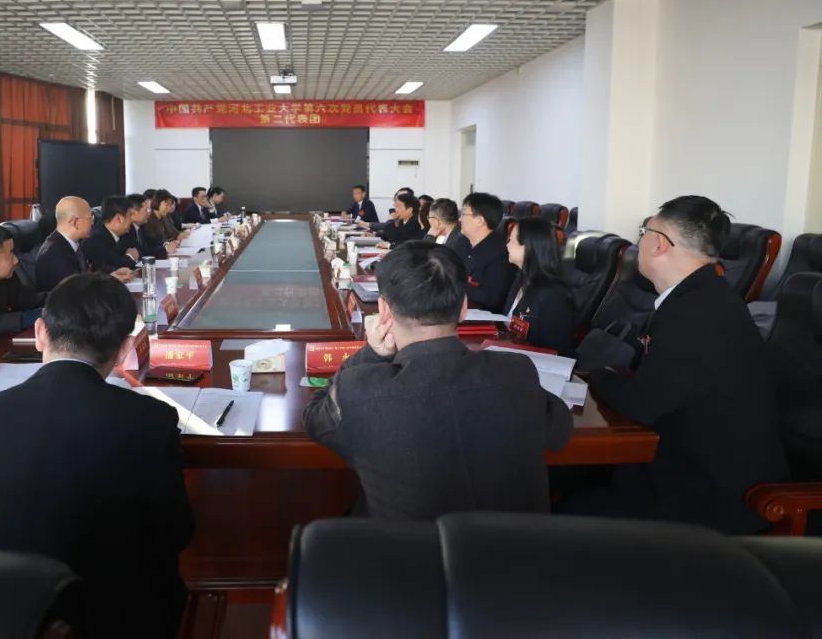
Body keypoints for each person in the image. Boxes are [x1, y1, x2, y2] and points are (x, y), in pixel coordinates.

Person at [0, 273, 193, 638]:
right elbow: (176, 531)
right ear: (124, 349)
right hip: (109, 621)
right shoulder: (150, 420)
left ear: (40, 333)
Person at [303, 241, 571, 520]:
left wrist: (371, 353)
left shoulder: (359, 389)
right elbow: (559, 432)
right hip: (519, 547)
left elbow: (315, 418)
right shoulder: (516, 372)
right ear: (463, 307)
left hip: (407, 548)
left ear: (384, 311)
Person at [571, 195, 787, 533]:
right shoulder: (701, 296)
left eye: (643, 232)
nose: (639, 242)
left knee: (569, 509)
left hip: (710, 496)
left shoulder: (696, 314)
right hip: (684, 462)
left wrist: (599, 375)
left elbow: (642, 404)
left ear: (659, 243)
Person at [505, 218, 576, 356]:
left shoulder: (553, 296)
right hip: (514, 352)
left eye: (512, 240)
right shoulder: (522, 279)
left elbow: (553, 352)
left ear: (528, 247)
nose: (507, 244)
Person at [35, 196, 134, 292]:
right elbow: (78, 290)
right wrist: (108, 281)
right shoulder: (54, 254)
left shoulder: (72, 243)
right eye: (90, 219)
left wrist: (110, 275)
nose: (92, 223)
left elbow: (86, 275)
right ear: (75, 222)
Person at [459, 191, 517, 311]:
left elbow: (492, 299)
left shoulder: (501, 254)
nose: (460, 219)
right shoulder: (462, 242)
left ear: (480, 220)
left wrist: (457, 284)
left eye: (463, 214)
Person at [82, 195, 139, 272]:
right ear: (119, 219)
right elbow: (115, 268)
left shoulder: (125, 234)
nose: (132, 220)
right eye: (130, 215)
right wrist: (130, 257)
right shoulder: (95, 239)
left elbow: (138, 250)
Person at [122, 193, 177, 260]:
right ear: (134, 212)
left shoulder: (141, 226)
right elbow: (141, 251)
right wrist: (165, 249)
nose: (149, 213)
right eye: (145, 210)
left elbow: (154, 242)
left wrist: (166, 245)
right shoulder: (126, 230)